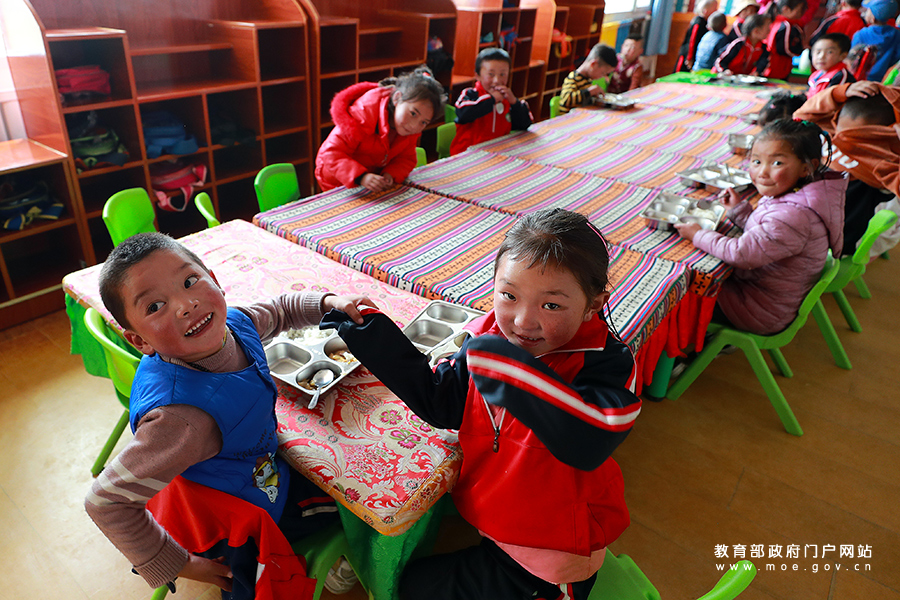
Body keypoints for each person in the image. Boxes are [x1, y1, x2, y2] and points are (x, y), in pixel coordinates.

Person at [321, 208, 642, 600]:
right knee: (413, 572)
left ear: (593, 304)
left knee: (413, 588)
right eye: (509, 295)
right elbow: (442, 402)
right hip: (495, 517)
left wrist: (513, 374)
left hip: (550, 557)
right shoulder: (491, 337)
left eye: (551, 305)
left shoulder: (606, 361)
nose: (522, 321)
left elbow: (590, 439)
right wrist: (370, 334)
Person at [85, 232, 375, 595]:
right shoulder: (181, 418)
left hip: (252, 467)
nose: (185, 304)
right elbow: (105, 501)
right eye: (155, 306)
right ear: (140, 341)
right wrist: (181, 564)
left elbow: (281, 311)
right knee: (357, 505)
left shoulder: (233, 325)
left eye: (189, 281)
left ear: (214, 278)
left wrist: (328, 303)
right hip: (243, 517)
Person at [675, 119, 846, 336]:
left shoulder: (794, 216)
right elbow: (767, 235)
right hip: (767, 298)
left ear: (807, 167)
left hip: (757, 309)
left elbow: (740, 253)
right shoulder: (798, 195)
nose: (762, 172)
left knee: (678, 296)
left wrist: (698, 234)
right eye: (756, 161)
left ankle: (694, 349)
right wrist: (738, 210)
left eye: (777, 163)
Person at [794, 80, 900, 255]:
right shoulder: (832, 134)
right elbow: (800, 118)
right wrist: (838, 93)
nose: (842, 139)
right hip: (802, 215)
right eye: (841, 131)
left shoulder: (882, 165)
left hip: (832, 242)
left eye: (854, 138)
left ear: (880, 139)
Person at [315, 66, 445, 192]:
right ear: (397, 98)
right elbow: (331, 153)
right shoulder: (363, 114)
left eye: (424, 122)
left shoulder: (408, 129)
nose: (414, 125)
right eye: (413, 113)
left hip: (370, 180)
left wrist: (390, 174)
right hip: (336, 179)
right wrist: (361, 177)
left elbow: (406, 158)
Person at [450, 48, 533, 156]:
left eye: (502, 74)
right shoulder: (470, 94)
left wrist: (515, 103)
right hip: (467, 155)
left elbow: (524, 125)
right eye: (491, 74)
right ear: (477, 75)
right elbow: (463, 114)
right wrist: (492, 100)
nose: (497, 80)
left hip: (498, 153)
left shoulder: (507, 99)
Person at [558, 43, 618, 115]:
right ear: (593, 64)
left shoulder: (588, 80)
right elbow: (566, 99)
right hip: (570, 118)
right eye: (603, 73)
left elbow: (584, 101)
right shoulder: (573, 78)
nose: (603, 76)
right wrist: (589, 91)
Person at [851, 0, 900, 81]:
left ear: (873, 18)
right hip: (884, 79)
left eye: (868, 11)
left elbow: (852, 58)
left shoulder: (861, 35)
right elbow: (896, 57)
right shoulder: (897, 34)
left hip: (860, 79)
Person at [759, 0, 807, 80]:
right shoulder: (786, 25)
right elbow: (785, 49)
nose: (801, 14)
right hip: (778, 65)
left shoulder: (776, 21)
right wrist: (799, 51)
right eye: (799, 10)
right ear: (786, 9)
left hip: (771, 64)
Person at [676, 0, 720, 71]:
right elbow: (692, 40)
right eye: (714, 9)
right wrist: (689, 58)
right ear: (705, 11)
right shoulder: (698, 22)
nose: (716, 11)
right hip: (688, 54)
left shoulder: (707, 23)